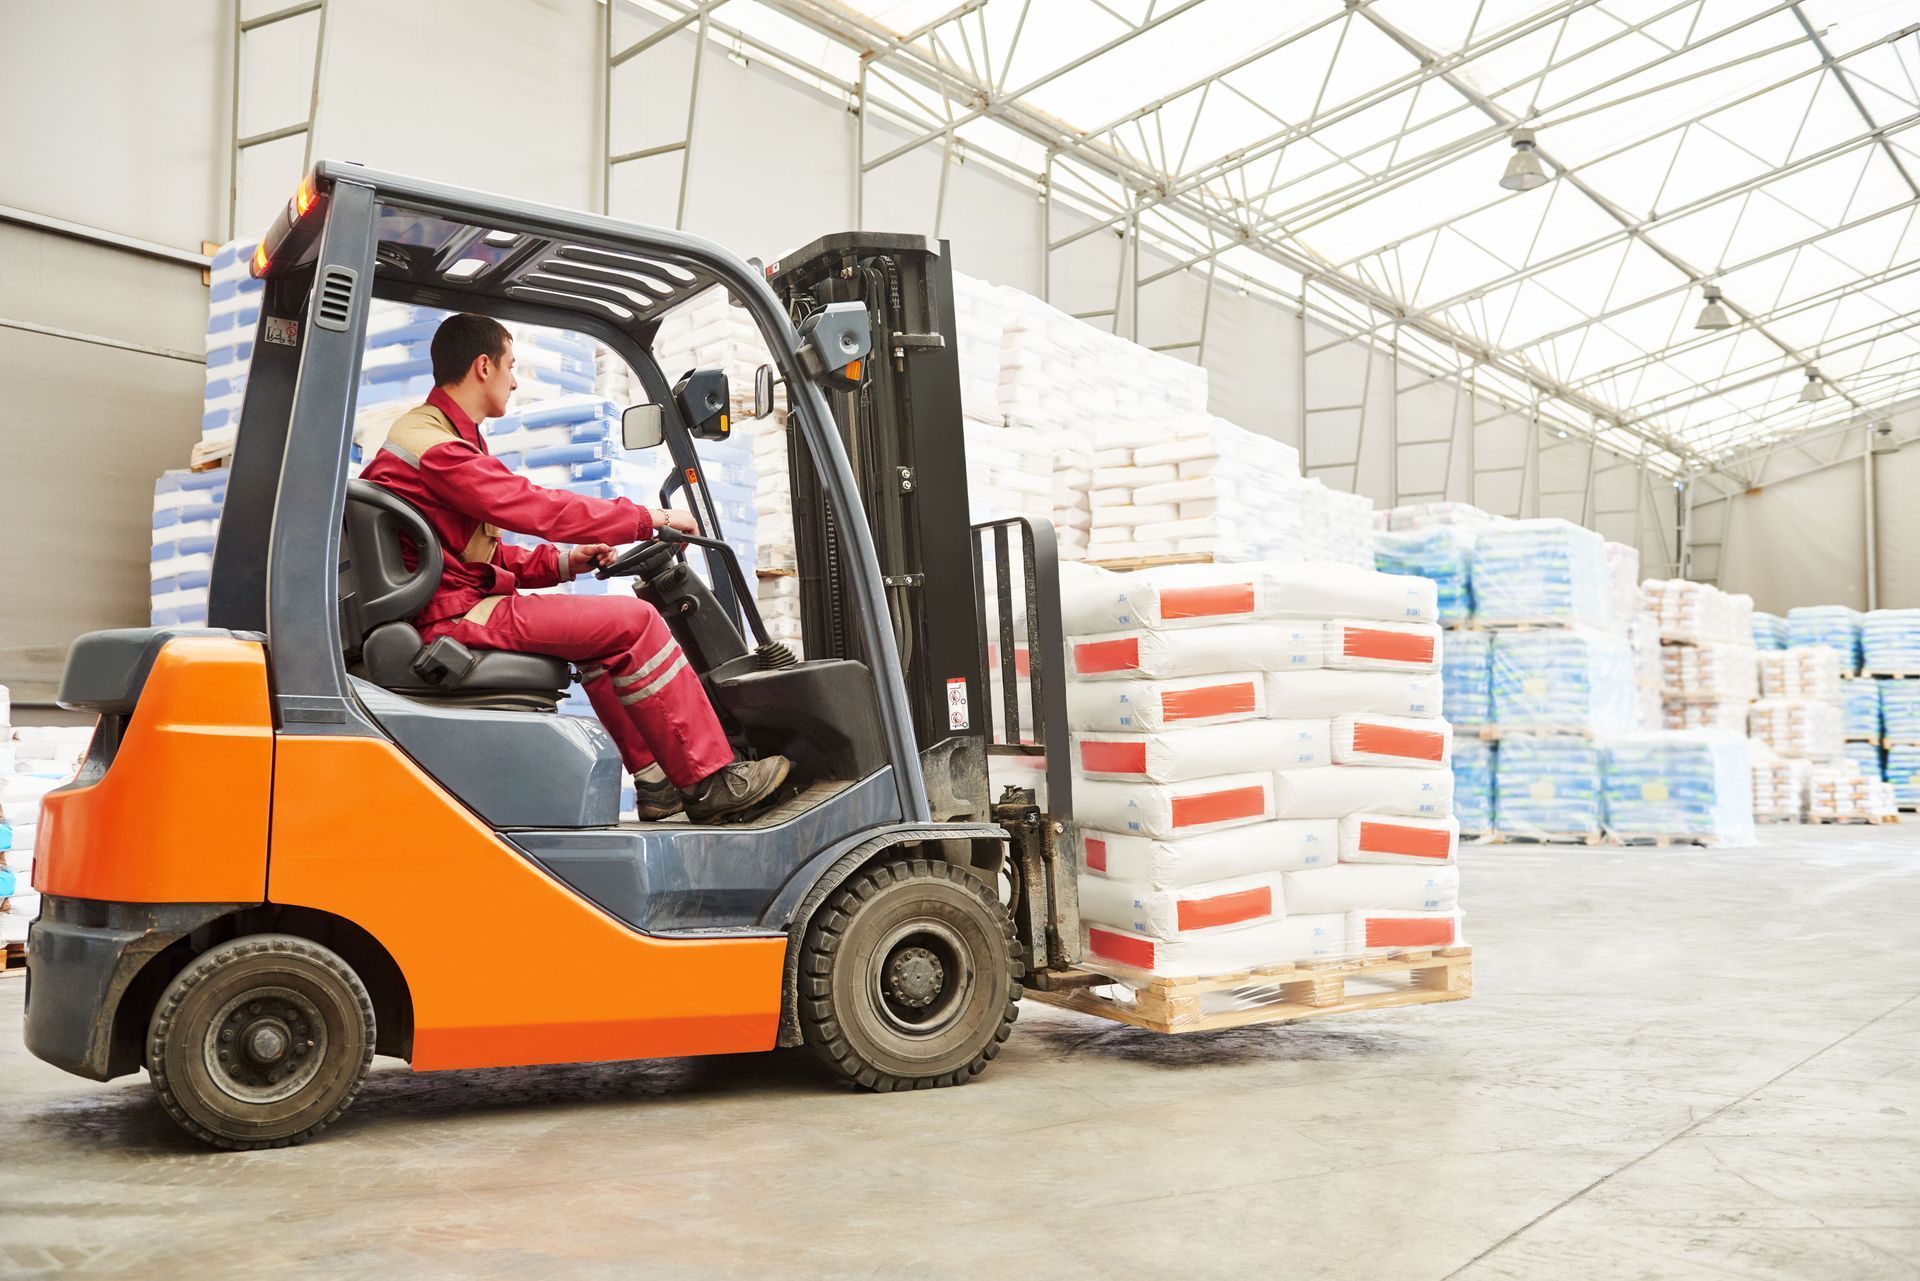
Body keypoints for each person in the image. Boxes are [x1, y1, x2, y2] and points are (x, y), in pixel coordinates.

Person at [358, 313, 790, 822]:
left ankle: (658, 785)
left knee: (605, 644)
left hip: (453, 603)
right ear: (483, 366)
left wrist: (566, 562)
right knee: (638, 623)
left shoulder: (443, 435)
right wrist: (645, 518)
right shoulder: (438, 448)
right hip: (450, 619)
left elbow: (473, 555)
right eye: (510, 367)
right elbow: (533, 507)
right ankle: (711, 782)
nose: (515, 380)